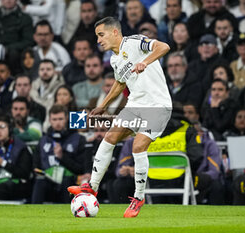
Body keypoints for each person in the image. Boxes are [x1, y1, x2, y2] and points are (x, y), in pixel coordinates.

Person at [67, 17, 172, 218]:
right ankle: (92, 187)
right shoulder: (115, 59)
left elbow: (164, 47)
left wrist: (145, 62)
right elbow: (120, 83)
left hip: (157, 105)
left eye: (101, 35)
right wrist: (103, 106)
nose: (98, 40)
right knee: (109, 138)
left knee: (138, 146)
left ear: (115, 32)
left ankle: (139, 198)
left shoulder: (135, 42)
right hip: (135, 104)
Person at [31, 105, 87, 204]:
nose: (57, 123)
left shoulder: (78, 139)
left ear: (66, 119)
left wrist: (63, 157)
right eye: (54, 119)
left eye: (60, 119)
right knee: (40, 182)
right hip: (48, 182)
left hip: (70, 182)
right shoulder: (43, 140)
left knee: (67, 182)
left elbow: (81, 168)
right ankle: (35, 214)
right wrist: (37, 170)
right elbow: (35, 164)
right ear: (50, 120)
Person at [0, 0, 34, 74]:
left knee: (13, 54)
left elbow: (28, 40)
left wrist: (8, 48)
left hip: (16, 53)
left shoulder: (25, 18)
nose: (8, 1)